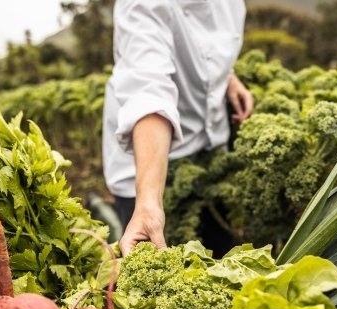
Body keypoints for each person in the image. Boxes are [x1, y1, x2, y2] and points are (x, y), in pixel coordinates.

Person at [102, 0, 254, 256]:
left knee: (221, 250)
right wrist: (149, 202)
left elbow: (205, 44)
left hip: (209, 146)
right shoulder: (140, 5)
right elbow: (149, 92)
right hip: (147, 159)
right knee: (158, 270)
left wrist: (228, 77)